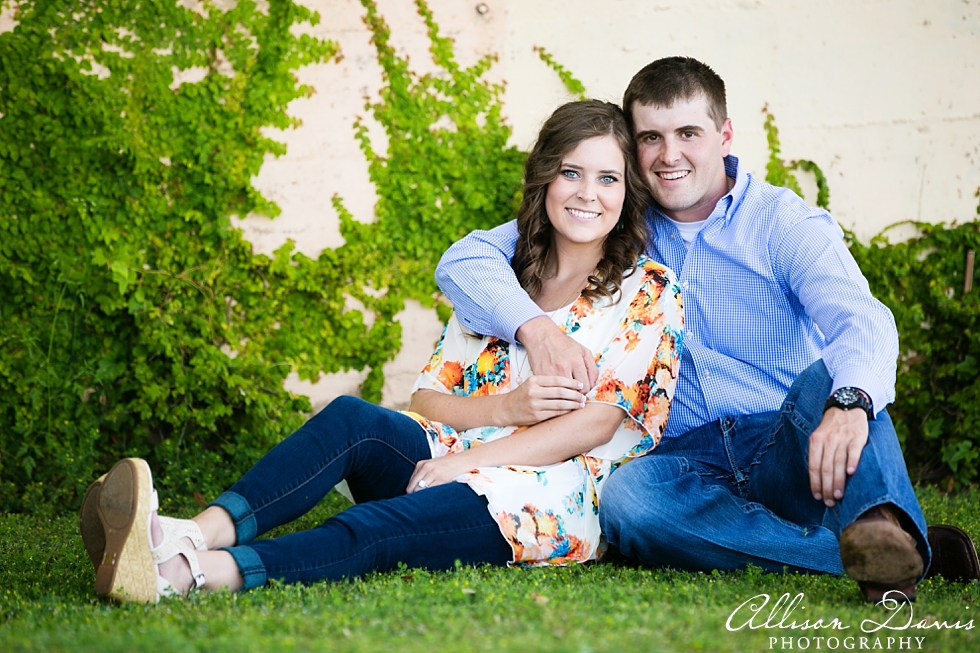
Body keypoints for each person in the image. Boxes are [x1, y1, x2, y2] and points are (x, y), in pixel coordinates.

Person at [79, 99, 684, 603]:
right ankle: (190, 533)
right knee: (352, 419)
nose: (587, 194)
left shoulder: (649, 290)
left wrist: (463, 465)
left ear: (628, 194)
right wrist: (506, 407)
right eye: (571, 172)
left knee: (379, 527)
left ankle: (183, 575)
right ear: (545, 178)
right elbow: (426, 399)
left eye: (608, 179)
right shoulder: (501, 280)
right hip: (445, 454)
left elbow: (595, 426)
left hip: (542, 497)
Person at [434, 57, 930, 602]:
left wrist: (850, 402)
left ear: (724, 135)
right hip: (683, 459)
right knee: (629, 502)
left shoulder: (782, 223)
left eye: (688, 133)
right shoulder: (615, 220)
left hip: (788, 439)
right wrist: (536, 329)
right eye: (651, 138)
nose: (669, 156)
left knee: (843, 380)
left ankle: (883, 526)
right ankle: (884, 556)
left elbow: (862, 319)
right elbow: (466, 260)